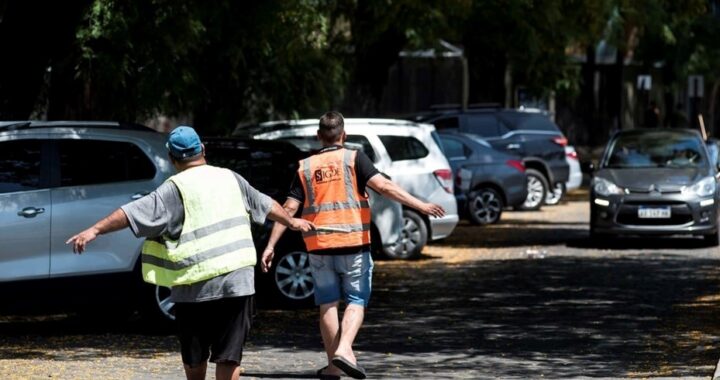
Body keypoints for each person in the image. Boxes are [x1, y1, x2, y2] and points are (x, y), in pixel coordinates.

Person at [66, 126, 314, 380]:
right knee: (229, 356)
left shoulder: (174, 188)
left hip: (195, 285)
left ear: (172, 159)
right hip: (237, 282)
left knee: (195, 361)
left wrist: (94, 230)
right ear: (203, 150)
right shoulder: (230, 177)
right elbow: (267, 203)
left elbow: (131, 213)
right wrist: (292, 222)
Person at [260, 111, 445, 379]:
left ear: (318, 137)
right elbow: (384, 186)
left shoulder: (305, 167)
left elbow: (288, 209)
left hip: (319, 247)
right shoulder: (355, 158)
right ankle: (344, 349)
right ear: (343, 136)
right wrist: (421, 205)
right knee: (356, 301)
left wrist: (270, 246)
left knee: (327, 304)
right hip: (353, 245)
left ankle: (333, 368)